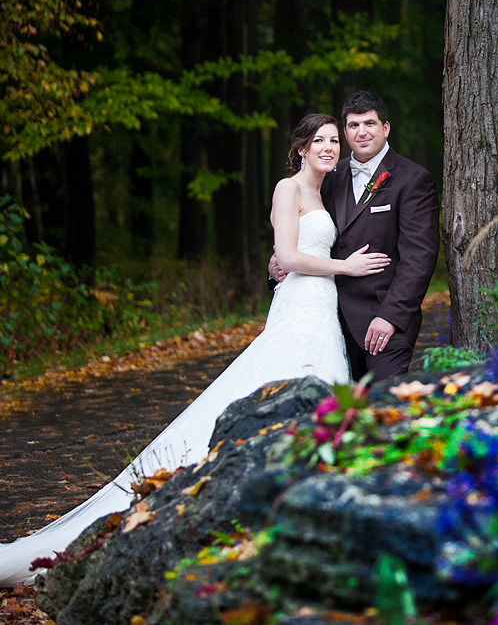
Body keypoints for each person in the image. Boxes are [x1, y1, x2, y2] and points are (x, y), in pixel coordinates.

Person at [0, 114, 390, 587]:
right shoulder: (288, 189)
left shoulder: (324, 193)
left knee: (317, 395)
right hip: (301, 308)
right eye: (320, 140)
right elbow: (286, 258)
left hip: (321, 307)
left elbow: (292, 252)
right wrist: (344, 267)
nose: (329, 147)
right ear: (301, 148)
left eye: (334, 140)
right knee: (285, 389)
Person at [270, 90, 440, 382]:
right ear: (346, 133)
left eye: (369, 124)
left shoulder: (413, 180)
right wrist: (277, 266)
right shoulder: (329, 176)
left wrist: (390, 317)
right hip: (332, 320)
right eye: (353, 125)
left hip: (384, 323)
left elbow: (419, 257)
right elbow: (306, 232)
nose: (361, 132)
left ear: (385, 128)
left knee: (383, 409)